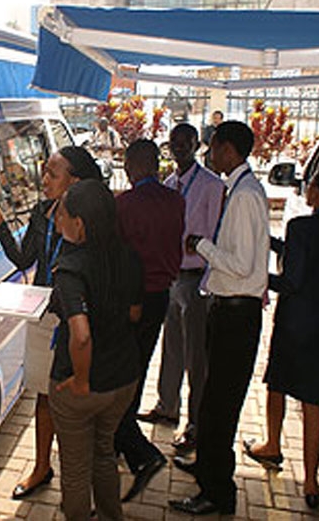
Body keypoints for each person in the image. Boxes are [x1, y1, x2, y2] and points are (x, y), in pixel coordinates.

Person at [0, 145, 102, 500]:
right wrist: (0, 226)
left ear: (74, 181)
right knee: (44, 397)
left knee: (77, 404)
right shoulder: (42, 211)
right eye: (44, 172)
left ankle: (83, 483)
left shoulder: (94, 218)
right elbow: (24, 258)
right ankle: (42, 467)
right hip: (44, 316)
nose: (43, 180)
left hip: (79, 321)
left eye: (52, 174)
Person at [169, 121, 270, 516]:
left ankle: (217, 492)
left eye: (213, 147)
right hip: (226, 311)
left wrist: (202, 245)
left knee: (220, 408)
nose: (209, 154)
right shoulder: (240, 189)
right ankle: (207, 470)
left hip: (237, 313)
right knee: (212, 398)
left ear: (228, 149)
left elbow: (243, 266)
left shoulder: (245, 196)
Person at [242, 165, 319, 511]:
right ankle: (310, 481)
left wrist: (254, 275)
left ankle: (272, 444)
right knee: (313, 401)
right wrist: (267, 241)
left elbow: (291, 280)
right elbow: (303, 258)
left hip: (295, 320)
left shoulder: (301, 227)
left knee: (277, 383)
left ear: (317, 193)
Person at [49, 178, 143, 521]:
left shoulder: (70, 270)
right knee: (103, 453)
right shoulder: (128, 255)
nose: (57, 221)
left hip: (84, 385)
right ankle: (110, 515)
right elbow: (135, 312)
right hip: (123, 378)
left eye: (62, 215)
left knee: (74, 471)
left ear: (80, 224)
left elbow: (82, 335)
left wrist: (81, 380)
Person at [140, 124, 225, 455]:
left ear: (196, 145)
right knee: (171, 344)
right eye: (173, 143)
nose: (178, 148)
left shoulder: (211, 185)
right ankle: (167, 406)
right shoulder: (170, 184)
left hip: (196, 277)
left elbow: (217, 234)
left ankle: (195, 425)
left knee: (197, 357)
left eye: (184, 143)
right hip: (170, 275)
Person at [113, 139, 185, 502]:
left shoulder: (124, 205)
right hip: (160, 297)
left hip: (130, 302)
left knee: (117, 375)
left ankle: (136, 449)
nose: (125, 171)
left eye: (127, 164)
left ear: (136, 165)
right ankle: (124, 442)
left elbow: (119, 257)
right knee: (138, 367)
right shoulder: (176, 200)